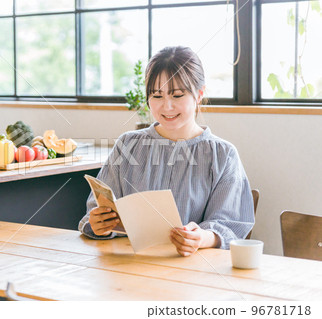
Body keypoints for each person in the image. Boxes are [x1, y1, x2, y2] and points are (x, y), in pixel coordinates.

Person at [78, 46, 254, 256]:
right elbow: (94, 213)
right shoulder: (127, 145)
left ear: (199, 95)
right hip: (130, 267)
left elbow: (231, 225)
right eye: (157, 96)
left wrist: (202, 238)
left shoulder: (223, 154)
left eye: (177, 95)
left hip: (193, 272)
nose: (166, 107)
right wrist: (98, 224)